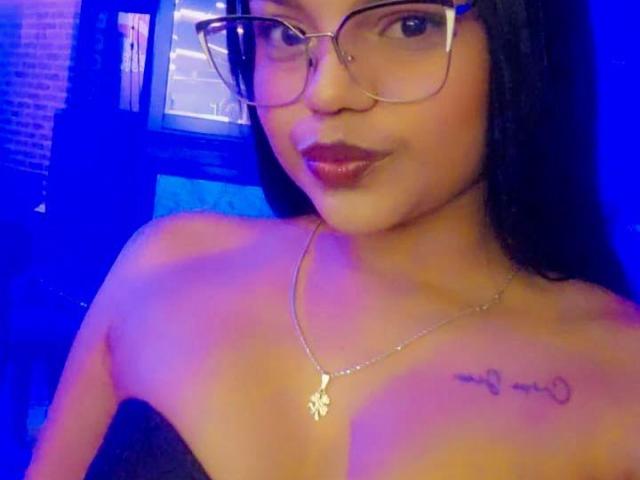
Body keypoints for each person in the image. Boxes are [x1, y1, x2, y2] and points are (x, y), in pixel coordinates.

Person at [25, 0, 640, 478]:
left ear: (522, 38)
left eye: (409, 26)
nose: (327, 92)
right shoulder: (165, 266)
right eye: (286, 34)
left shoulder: (619, 380)